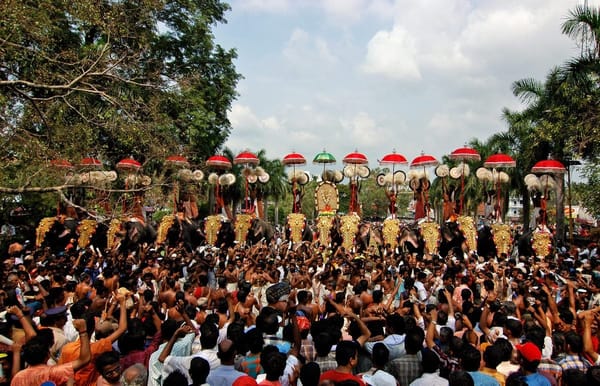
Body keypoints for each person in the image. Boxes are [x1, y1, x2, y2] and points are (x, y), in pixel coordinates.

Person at [10, 319, 90, 386]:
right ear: (48, 356)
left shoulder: (18, 377)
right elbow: (84, 359)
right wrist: (83, 332)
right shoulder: (53, 372)